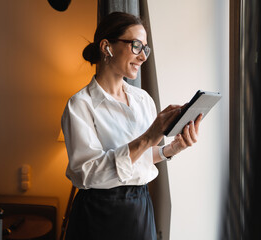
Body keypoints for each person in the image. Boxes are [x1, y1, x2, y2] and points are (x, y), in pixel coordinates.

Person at [61, 12, 202, 240]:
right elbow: (86, 174)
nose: (143, 57)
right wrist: (148, 137)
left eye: (145, 48)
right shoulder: (80, 105)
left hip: (140, 208)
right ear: (107, 46)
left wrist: (171, 150)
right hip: (99, 214)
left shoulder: (143, 99)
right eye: (136, 46)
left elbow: (140, 159)